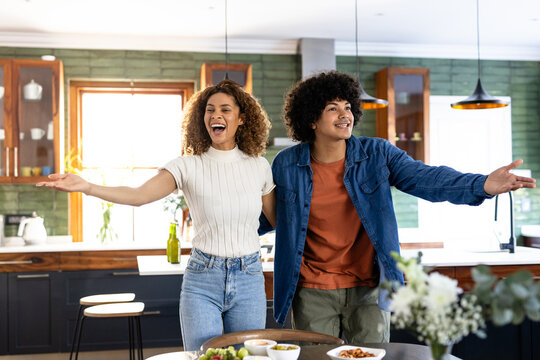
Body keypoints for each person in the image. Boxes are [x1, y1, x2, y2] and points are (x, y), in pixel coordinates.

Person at [260, 71, 536, 344]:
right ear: (311, 119)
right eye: (332, 108)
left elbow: (427, 178)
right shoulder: (286, 164)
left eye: (347, 107)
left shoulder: (377, 154)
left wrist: (483, 184)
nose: (344, 114)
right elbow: (264, 216)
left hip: (369, 288)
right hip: (312, 289)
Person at [37, 80, 276, 351]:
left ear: (242, 118)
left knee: (248, 357)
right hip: (203, 278)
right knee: (203, 356)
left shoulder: (259, 167)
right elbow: (139, 195)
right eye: (210, 110)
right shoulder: (187, 165)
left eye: (225, 109)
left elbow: (280, 220)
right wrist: (87, 187)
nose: (215, 116)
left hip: (249, 277)